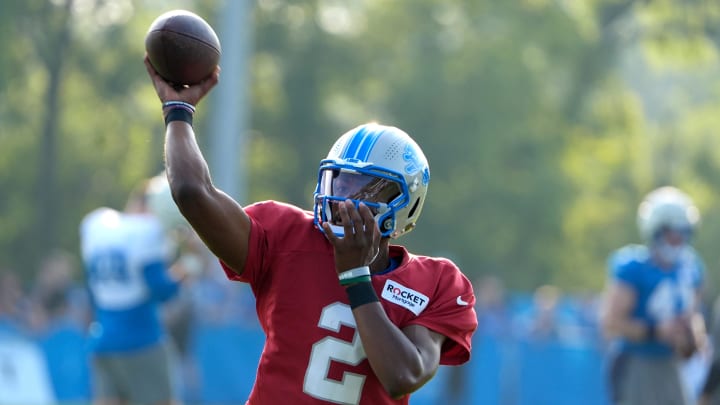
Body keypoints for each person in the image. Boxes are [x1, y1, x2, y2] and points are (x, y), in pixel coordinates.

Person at [144, 57, 478, 405]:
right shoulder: (287, 236)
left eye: (362, 188)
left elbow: (402, 376)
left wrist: (355, 276)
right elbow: (192, 192)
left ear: (405, 202)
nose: (343, 199)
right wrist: (178, 110)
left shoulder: (437, 282)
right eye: (339, 182)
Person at [79, 174, 197, 405]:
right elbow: (162, 291)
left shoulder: (99, 225)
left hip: (103, 341)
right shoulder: (144, 233)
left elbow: (93, 293)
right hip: (142, 341)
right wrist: (189, 267)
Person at [600, 186, 707, 405]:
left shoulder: (690, 268)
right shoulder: (634, 268)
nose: (678, 239)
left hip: (671, 363)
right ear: (656, 230)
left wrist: (692, 336)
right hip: (637, 362)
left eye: (683, 232)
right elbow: (611, 323)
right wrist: (656, 331)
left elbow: (693, 317)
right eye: (672, 232)